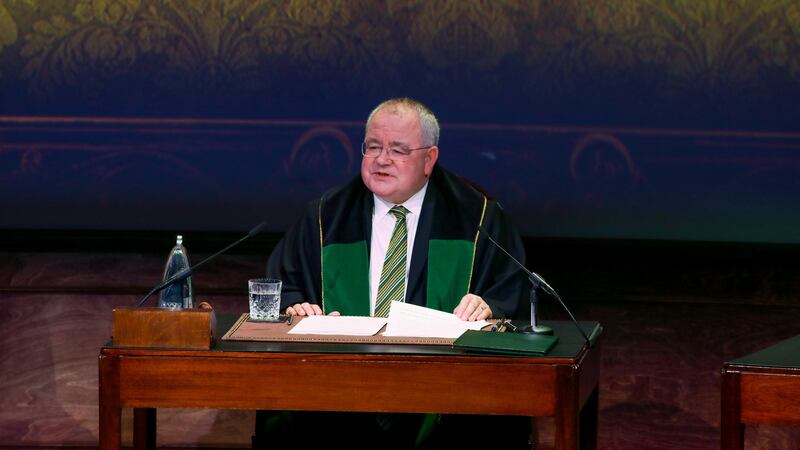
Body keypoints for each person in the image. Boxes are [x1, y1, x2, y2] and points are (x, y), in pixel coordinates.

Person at [254, 98, 531, 449]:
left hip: (442, 386)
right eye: (373, 147)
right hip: (340, 387)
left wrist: (489, 305)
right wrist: (297, 306)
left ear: (429, 159)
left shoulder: (477, 218)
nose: (382, 159)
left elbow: (510, 291)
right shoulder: (326, 217)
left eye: (398, 150)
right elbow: (286, 284)